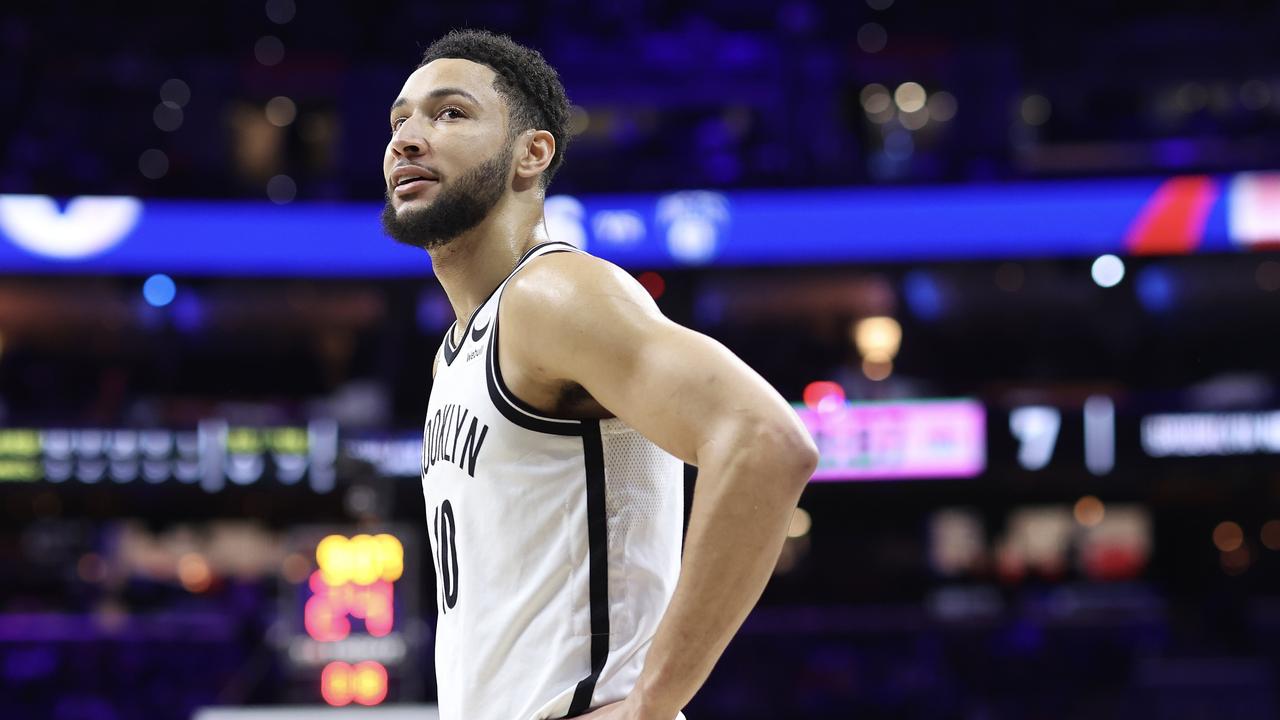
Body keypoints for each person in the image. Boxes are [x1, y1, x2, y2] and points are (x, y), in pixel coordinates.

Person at [381, 29, 818, 720]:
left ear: (532, 154)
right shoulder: (459, 347)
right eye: (400, 119)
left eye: (450, 113)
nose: (407, 137)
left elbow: (764, 439)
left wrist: (650, 704)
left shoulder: (551, 294)